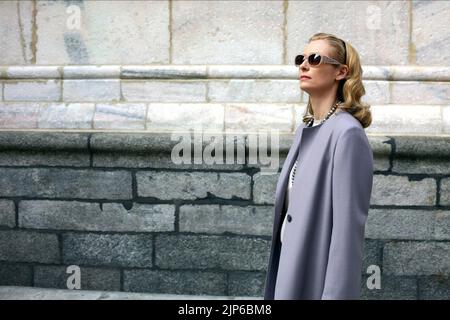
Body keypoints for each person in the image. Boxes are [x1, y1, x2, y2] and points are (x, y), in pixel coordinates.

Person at [264, 33, 374, 300]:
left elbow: (347, 233)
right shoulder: (307, 128)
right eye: (301, 59)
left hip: (314, 279)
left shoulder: (347, 134)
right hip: (290, 274)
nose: (304, 65)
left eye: (315, 59)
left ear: (341, 72)